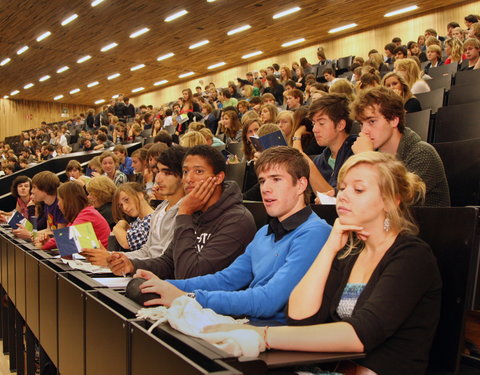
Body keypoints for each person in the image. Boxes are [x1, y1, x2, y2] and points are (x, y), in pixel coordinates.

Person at [207, 152, 441, 375]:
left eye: (358, 189)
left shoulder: (412, 256)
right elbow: (299, 317)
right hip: (335, 367)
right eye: (342, 188)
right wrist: (329, 248)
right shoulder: (350, 252)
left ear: (391, 201)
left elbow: (361, 335)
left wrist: (261, 335)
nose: (344, 196)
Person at [132, 147, 331, 323]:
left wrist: (188, 297)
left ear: (301, 184)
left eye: (276, 179)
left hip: (281, 339)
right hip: (251, 327)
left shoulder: (315, 233)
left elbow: (268, 300)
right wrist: (165, 285)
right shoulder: (265, 232)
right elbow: (226, 280)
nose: (266, 189)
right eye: (262, 181)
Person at [110, 145, 257, 281]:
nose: (188, 179)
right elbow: (168, 262)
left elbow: (190, 275)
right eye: (186, 172)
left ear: (218, 177)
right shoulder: (194, 213)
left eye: (198, 171)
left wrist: (184, 212)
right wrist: (131, 265)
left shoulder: (237, 220)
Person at [85, 147, 187, 266]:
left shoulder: (184, 212)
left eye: (166, 173)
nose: (158, 179)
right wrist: (112, 256)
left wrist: (122, 262)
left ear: (183, 175)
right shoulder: (160, 210)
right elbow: (146, 252)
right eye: (158, 171)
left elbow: (165, 261)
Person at [351, 86, 450, 206]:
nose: (364, 131)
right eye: (362, 124)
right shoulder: (376, 153)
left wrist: (366, 158)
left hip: (424, 223)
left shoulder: (423, 153)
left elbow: (394, 202)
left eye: (372, 121)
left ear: (394, 120)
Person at [294, 94, 357, 193]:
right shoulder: (320, 161)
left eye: (321, 123)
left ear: (340, 125)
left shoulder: (357, 156)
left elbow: (335, 203)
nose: (314, 129)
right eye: (314, 123)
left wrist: (308, 165)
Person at [41, 181, 111, 250]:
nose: (58, 204)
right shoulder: (82, 214)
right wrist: (47, 242)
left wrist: (42, 245)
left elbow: (66, 237)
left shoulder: (88, 214)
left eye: (59, 200)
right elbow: (64, 238)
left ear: (67, 201)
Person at [111, 182, 154, 251]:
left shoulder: (152, 220)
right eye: (121, 205)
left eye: (126, 200)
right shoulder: (137, 221)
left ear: (140, 195)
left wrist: (117, 228)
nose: (124, 208)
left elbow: (127, 243)